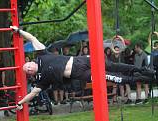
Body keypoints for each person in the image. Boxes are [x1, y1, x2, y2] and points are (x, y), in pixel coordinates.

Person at [10, 26, 153, 110]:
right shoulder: (42, 79)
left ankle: (142, 71)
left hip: (82, 60)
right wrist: (20, 103)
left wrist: (18, 31)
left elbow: (32, 38)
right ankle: (143, 78)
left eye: (28, 66)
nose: (28, 69)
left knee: (114, 65)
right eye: (27, 71)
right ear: (30, 73)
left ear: (31, 63)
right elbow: (33, 93)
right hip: (81, 73)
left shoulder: (42, 55)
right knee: (112, 77)